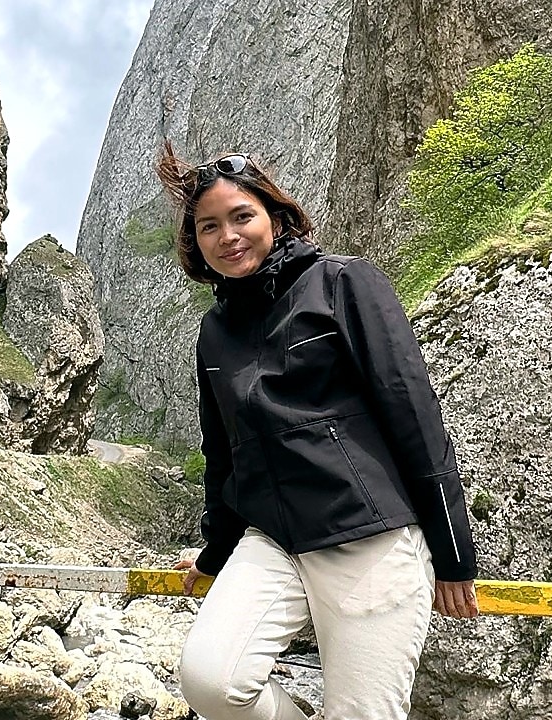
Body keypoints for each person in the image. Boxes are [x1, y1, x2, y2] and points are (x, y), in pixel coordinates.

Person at [155, 142, 479, 720]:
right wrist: (214, 553)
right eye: (209, 226)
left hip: (366, 536)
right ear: (196, 243)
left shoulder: (343, 282)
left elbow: (412, 413)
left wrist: (453, 551)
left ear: (276, 219)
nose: (227, 235)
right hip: (274, 538)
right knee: (211, 682)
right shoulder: (214, 333)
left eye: (241, 216)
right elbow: (224, 456)